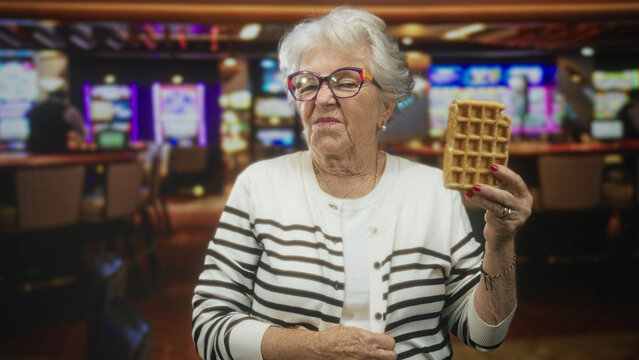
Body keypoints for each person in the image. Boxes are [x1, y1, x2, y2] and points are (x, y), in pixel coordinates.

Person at [192, 7, 533, 360]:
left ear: (386, 106)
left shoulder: (434, 193)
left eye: (345, 81)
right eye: (307, 83)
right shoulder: (259, 185)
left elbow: (485, 334)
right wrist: (312, 348)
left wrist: (500, 242)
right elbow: (209, 324)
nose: (322, 98)